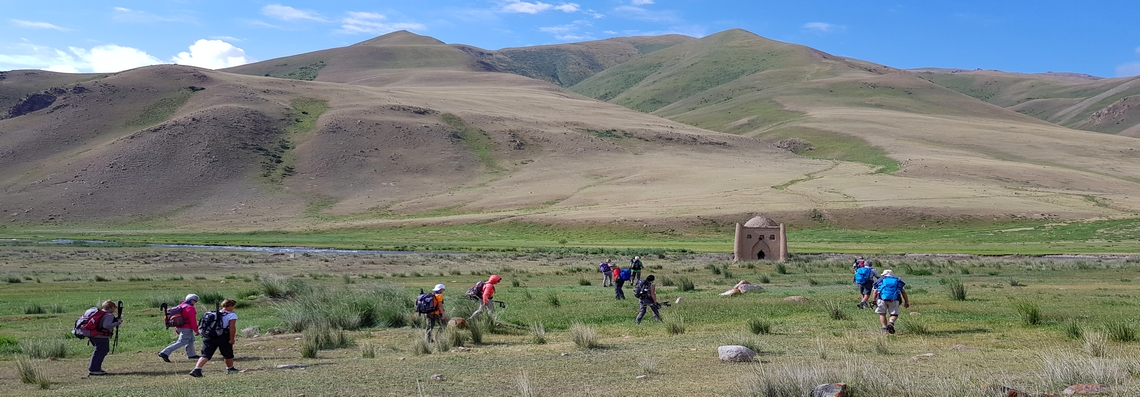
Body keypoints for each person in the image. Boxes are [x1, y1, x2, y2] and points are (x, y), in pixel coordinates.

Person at [189, 299, 238, 377]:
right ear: (231, 306)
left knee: (205, 354)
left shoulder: (212, 313)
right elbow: (232, 327)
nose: (234, 308)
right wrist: (232, 339)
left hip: (209, 336)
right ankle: (230, 368)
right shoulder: (232, 315)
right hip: (223, 336)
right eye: (234, 306)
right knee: (227, 353)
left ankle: (197, 369)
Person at [159, 294, 200, 362]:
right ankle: (164, 352)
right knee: (181, 342)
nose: (195, 302)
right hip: (187, 328)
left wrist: (176, 328)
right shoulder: (190, 308)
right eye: (194, 300)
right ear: (190, 300)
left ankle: (191, 355)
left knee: (191, 340)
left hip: (180, 327)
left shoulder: (181, 306)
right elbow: (192, 320)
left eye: (196, 301)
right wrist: (196, 330)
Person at [86, 300, 123, 376]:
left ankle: (95, 368)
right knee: (101, 351)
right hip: (101, 336)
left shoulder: (100, 313)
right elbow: (106, 325)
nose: (115, 309)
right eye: (114, 307)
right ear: (111, 307)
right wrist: (118, 323)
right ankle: (94, 369)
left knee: (99, 351)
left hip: (93, 335)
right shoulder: (108, 315)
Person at [871, 270, 910, 334]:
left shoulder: (879, 281)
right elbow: (903, 292)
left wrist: (873, 300)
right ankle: (891, 323)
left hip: (881, 299)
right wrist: (906, 301)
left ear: (884, 274)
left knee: (882, 314)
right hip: (894, 300)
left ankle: (884, 328)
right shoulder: (898, 281)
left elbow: (875, 292)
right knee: (894, 314)